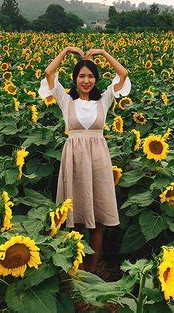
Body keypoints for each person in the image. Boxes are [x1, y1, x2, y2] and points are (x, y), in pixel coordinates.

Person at [38, 46, 131, 274]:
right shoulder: (65, 99)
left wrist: (103, 53)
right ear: (75, 78)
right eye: (81, 76)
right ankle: (75, 267)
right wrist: (67, 50)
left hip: (98, 159)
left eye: (90, 76)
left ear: (96, 79)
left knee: (98, 220)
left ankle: (92, 269)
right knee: (75, 218)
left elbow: (123, 74)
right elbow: (49, 72)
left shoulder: (105, 99)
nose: (86, 81)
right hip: (74, 160)